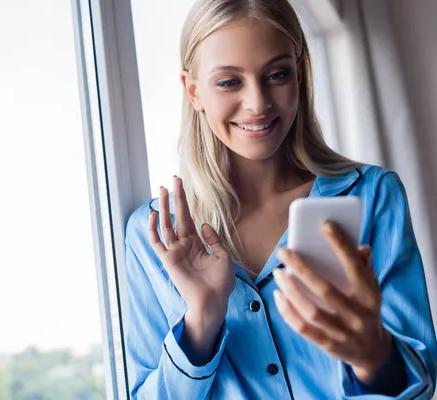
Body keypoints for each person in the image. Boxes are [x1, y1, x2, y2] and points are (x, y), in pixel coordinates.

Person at [124, 0, 437, 398]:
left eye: (276, 75)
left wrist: (374, 356)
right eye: (229, 82)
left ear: (300, 74)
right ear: (193, 90)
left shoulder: (373, 196)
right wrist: (201, 320)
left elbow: (420, 382)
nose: (258, 102)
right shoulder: (154, 235)